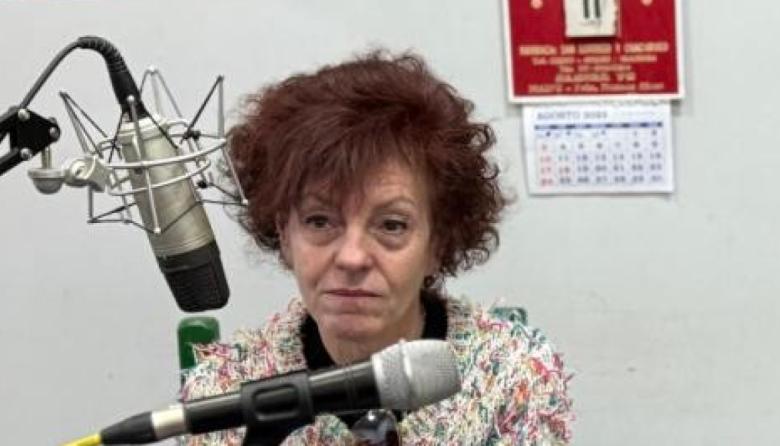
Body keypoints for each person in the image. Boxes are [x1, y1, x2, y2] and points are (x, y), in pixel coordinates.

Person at [181, 50, 572, 445]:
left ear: (438, 243)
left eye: (391, 225)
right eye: (320, 221)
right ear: (284, 234)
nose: (352, 257)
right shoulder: (223, 390)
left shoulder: (512, 375)